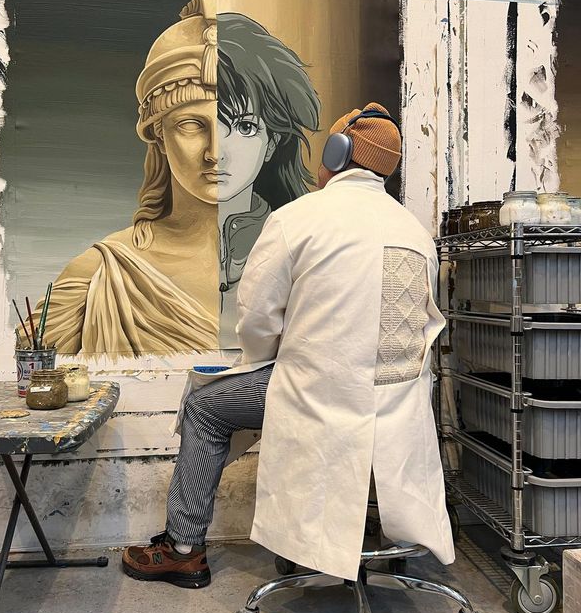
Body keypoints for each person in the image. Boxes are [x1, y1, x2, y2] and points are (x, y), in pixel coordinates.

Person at [121, 102, 455, 587]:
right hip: (396, 405)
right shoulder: (416, 233)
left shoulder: (297, 219)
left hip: (318, 396)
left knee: (204, 407)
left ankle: (183, 549)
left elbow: (257, 321)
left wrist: (265, 361)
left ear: (337, 153)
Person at [29, 0, 319, 357]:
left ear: (272, 142)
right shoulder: (102, 274)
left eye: (244, 127)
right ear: (159, 136)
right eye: (192, 125)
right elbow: (32, 375)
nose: (216, 153)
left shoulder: (308, 257)